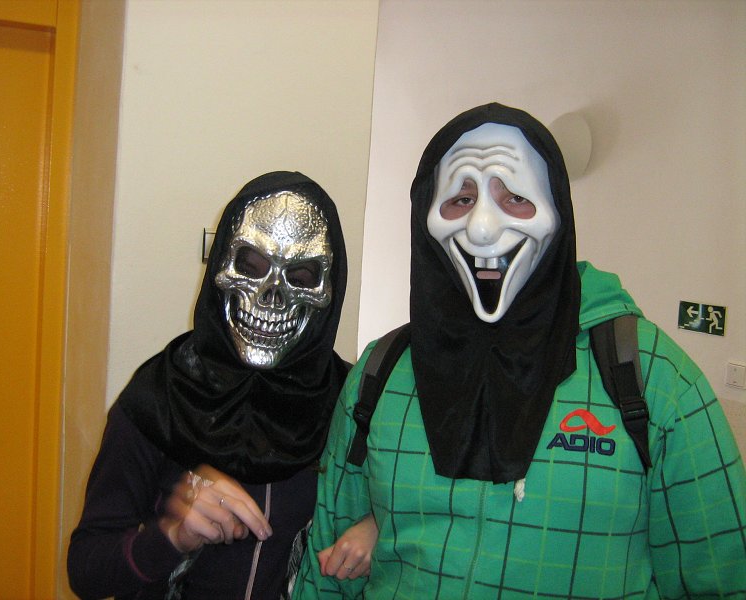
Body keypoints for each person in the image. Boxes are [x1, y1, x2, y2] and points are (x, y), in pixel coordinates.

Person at [293, 103, 746, 598]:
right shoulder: (381, 375)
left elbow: (722, 578)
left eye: (515, 198)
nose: (483, 228)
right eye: (460, 199)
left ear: (557, 214)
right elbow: (327, 567)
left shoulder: (652, 378)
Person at [68, 171, 372, 599]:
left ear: (329, 288)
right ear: (220, 268)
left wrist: (379, 528)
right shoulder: (161, 395)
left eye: (301, 277)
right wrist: (172, 535)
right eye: (250, 267)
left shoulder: (353, 403)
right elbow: (86, 570)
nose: (271, 297)